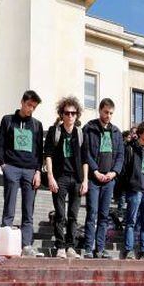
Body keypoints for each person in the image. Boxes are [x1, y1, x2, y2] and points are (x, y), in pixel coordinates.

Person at [0, 90, 44, 257]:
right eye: (29, 105)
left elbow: (40, 152)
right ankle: (4, 243)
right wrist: (4, 166)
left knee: (28, 211)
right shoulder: (8, 120)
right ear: (22, 102)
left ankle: (26, 246)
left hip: (30, 171)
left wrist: (38, 171)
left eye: (34, 107)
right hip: (12, 169)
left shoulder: (37, 125)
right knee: (8, 209)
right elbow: (0, 145)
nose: (31, 109)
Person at [44, 96, 87, 258]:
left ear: (77, 115)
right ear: (61, 114)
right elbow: (47, 155)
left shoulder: (80, 134)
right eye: (67, 113)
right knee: (60, 214)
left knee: (73, 215)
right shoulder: (55, 132)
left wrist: (85, 180)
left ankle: (70, 247)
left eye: (73, 113)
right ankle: (60, 246)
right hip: (59, 177)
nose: (70, 116)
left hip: (76, 179)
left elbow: (85, 159)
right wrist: (50, 177)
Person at [81, 98, 123, 259]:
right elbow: (86, 153)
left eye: (111, 113)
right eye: (106, 112)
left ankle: (100, 248)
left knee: (104, 215)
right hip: (93, 179)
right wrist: (95, 171)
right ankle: (88, 248)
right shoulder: (89, 128)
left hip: (109, 180)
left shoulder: (116, 132)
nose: (108, 116)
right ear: (100, 111)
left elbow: (120, 155)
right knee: (92, 213)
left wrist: (114, 173)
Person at [119, 121, 144, 260]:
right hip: (135, 189)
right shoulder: (131, 148)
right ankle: (129, 250)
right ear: (140, 133)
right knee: (131, 221)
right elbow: (125, 168)